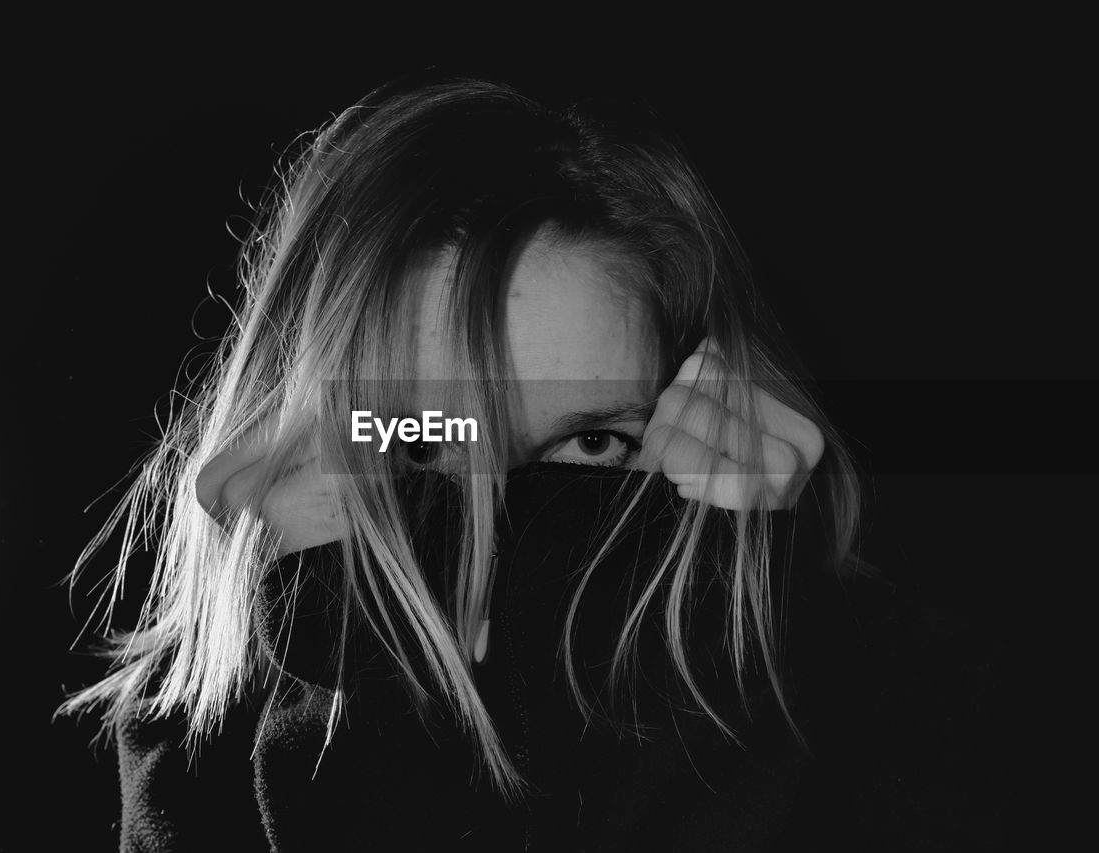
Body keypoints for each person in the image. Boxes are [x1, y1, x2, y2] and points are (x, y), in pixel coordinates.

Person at [62, 72, 998, 850]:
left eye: (591, 445)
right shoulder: (199, 750)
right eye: (428, 441)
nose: (506, 518)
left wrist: (729, 612)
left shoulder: (884, 705)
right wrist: (347, 628)